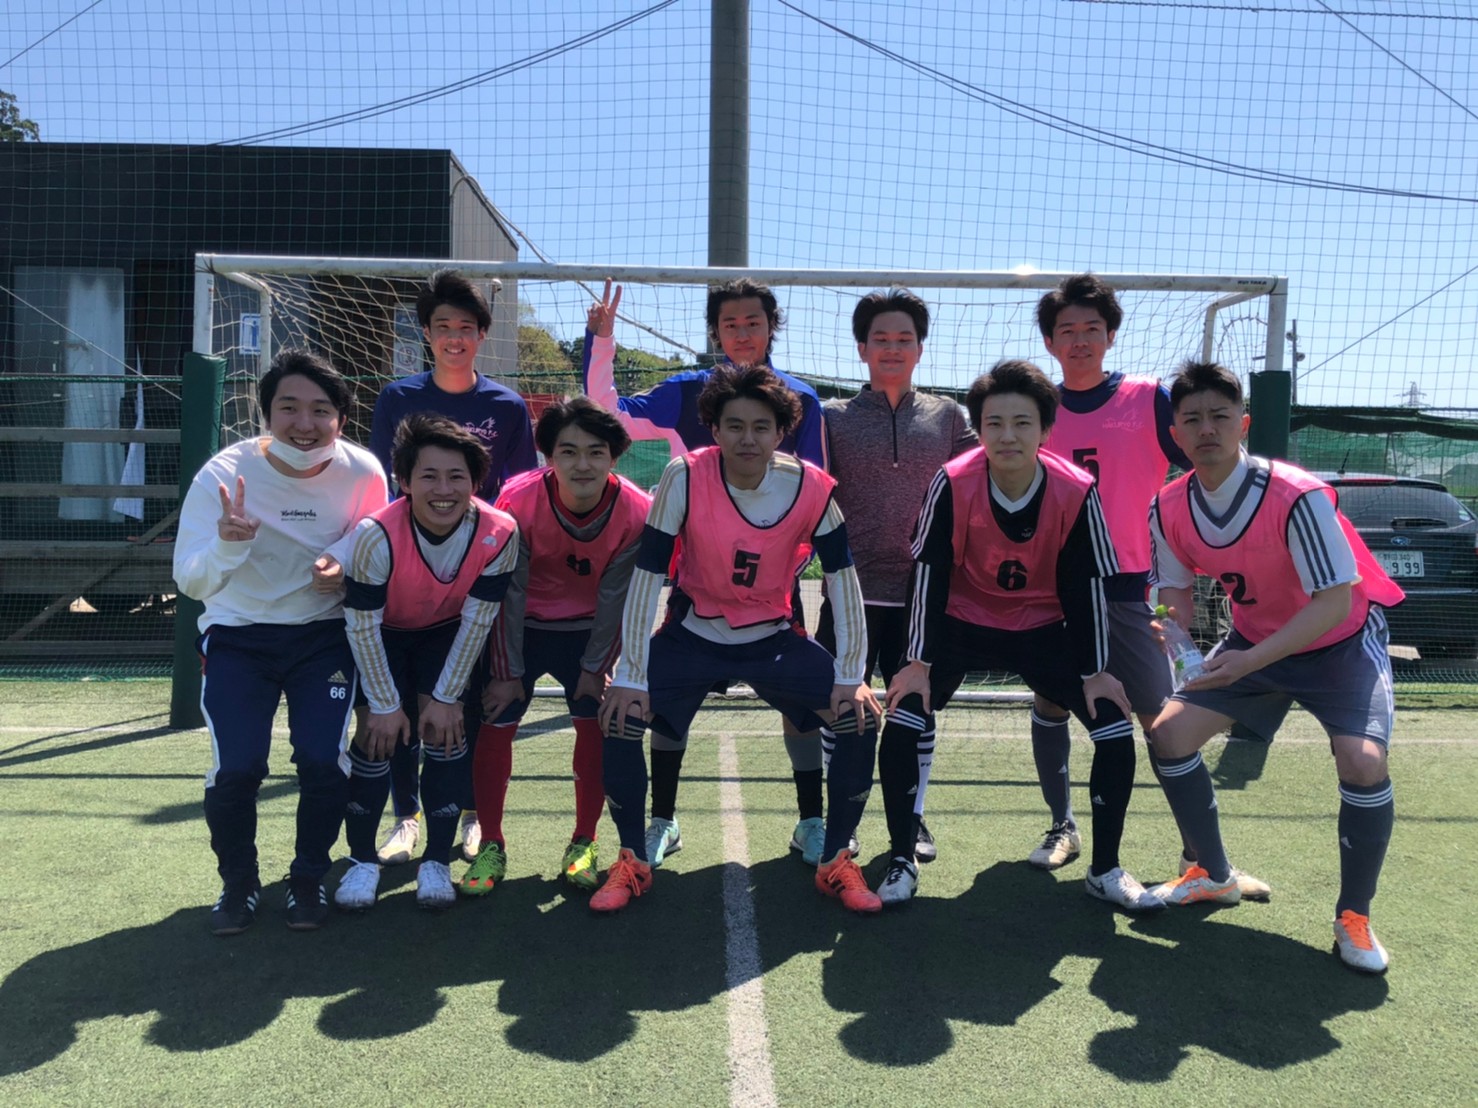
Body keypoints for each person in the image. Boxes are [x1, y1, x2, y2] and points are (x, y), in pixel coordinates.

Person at [594, 365, 884, 915]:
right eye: (734, 426)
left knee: (859, 715)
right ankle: (633, 859)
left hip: (772, 639)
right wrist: (630, 673)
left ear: (781, 432)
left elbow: (844, 579)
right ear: (714, 429)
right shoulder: (684, 475)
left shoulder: (812, 487)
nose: (747, 438)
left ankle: (835, 859)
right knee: (619, 711)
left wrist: (852, 674)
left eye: (761, 426)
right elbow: (648, 573)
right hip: (691, 635)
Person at [1146, 361, 1403, 974]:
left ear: (1244, 424)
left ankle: (1354, 916)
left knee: (1363, 761)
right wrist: (1173, 626)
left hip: (1339, 644)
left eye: (1220, 416)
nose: (1206, 429)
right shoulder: (1168, 504)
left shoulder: (1296, 494)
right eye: (1192, 420)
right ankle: (1212, 873)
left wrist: (1247, 663)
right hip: (1254, 642)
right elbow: (1173, 588)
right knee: (1168, 734)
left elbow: (1333, 602)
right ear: (1176, 435)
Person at [877, 360, 1157, 912]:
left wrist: (1095, 671)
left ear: (1046, 429)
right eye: (995, 423)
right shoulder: (952, 481)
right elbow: (929, 574)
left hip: (1041, 626)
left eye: (1022, 422)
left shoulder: (1076, 489)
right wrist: (917, 662)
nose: (1008, 435)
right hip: (964, 621)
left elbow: (1085, 585)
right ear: (978, 430)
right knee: (906, 714)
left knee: (1113, 726)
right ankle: (902, 858)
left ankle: (1105, 869)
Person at [1030, 274, 1271, 898]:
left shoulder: (1148, 399)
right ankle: (1061, 826)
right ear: (1050, 343)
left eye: (1091, 329)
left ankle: (1202, 856)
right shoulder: (1038, 408)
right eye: (1066, 331)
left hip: (1130, 589)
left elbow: (1204, 468)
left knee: (1163, 720)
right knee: (1052, 704)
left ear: (1111, 335)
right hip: (1054, 589)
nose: (1079, 341)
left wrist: (1200, 556)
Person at [583, 278, 832, 865]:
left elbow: (814, 494)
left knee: (802, 706)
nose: (742, 333)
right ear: (715, 332)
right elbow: (608, 410)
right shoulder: (686, 391)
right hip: (696, 588)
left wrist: (778, 562)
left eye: (753, 322)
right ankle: (663, 821)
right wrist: (602, 341)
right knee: (669, 702)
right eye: (730, 324)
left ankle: (811, 823)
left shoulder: (801, 399)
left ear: (772, 327)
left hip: (773, 593)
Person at [174, 349, 388, 935]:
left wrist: (342, 565)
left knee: (322, 760)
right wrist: (228, 545)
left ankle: (307, 877)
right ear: (265, 413)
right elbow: (190, 580)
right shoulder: (223, 474)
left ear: (342, 417)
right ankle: (239, 883)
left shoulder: (365, 472)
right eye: (289, 407)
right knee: (237, 769)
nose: (304, 423)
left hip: (323, 638)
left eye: (321, 410)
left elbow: (373, 544)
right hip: (238, 636)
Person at [367, 269, 538, 871]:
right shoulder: (397, 398)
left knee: (466, 697)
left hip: (480, 573)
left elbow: (518, 492)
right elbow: (385, 485)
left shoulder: (505, 406)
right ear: (427, 334)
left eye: (466, 327)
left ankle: (470, 812)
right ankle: (406, 816)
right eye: (443, 326)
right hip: (410, 573)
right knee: (401, 700)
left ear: (482, 335)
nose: (455, 338)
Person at [462, 397, 651, 895]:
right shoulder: (518, 500)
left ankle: (584, 841)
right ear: (549, 456)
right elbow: (509, 589)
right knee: (495, 719)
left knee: (596, 722)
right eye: (568, 451)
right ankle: (491, 843)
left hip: (588, 630)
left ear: (614, 456)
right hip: (521, 627)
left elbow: (617, 598)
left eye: (595, 451)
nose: (582, 464)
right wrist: (506, 672)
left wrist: (596, 667)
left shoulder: (636, 511)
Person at [333, 414, 519, 911]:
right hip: (382, 635)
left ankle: (436, 860)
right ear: (404, 481)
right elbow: (362, 626)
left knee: (445, 731)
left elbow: (478, 621)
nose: (443, 489)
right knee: (376, 737)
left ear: (475, 482)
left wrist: (446, 697)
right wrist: (384, 703)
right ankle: (361, 860)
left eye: (457, 476)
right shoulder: (375, 534)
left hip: (445, 632)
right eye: (429, 476)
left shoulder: (500, 531)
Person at [818, 288, 975, 866]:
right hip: (849, 590)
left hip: (922, 593)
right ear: (861, 348)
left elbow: (982, 475)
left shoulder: (948, 416)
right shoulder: (830, 417)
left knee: (917, 708)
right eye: (880, 338)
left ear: (920, 349)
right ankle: (841, 819)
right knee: (841, 708)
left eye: (904, 339)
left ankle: (912, 816)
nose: (892, 348)